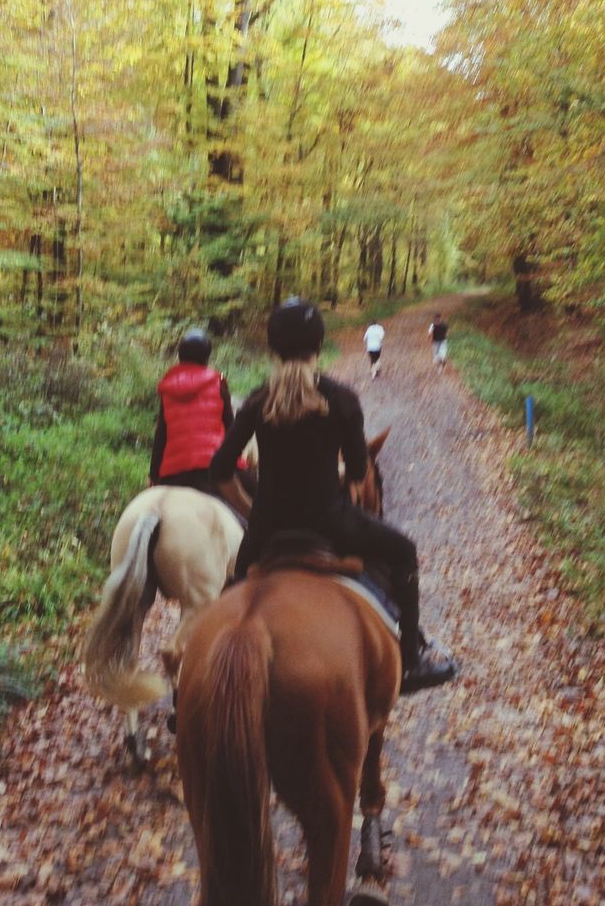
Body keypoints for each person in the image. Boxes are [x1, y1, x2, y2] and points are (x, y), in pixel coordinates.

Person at [210, 297, 456, 695]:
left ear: (273, 348)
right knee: (404, 551)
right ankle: (410, 661)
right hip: (332, 523)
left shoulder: (257, 399)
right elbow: (359, 471)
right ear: (319, 344)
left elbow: (221, 469)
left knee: (225, 598)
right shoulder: (341, 398)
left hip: (266, 530)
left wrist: (251, 509)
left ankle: (191, 686)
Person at [149, 327, 252, 518]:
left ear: (180, 356)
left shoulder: (167, 388)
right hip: (211, 469)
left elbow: (161, 434)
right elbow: (231, 430)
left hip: (174, 473)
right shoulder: (218, 383)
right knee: (259, 503)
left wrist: (154, 474)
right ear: (207, 356)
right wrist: (240, 463)